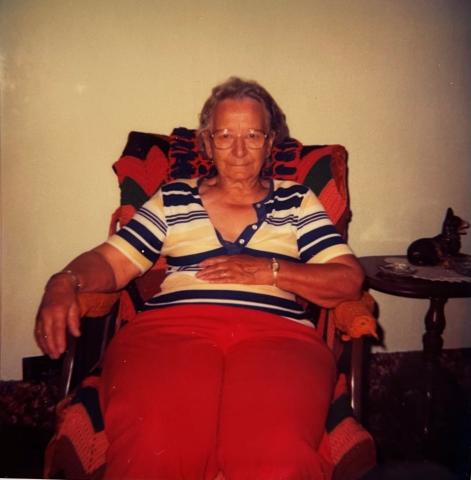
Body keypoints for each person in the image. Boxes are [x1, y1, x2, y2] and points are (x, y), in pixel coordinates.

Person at [35, 77, 364, 480]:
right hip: (169, 332)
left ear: (270, 141)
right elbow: (111, 262)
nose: (240, 150)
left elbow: (348, 280)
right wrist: (64, 281)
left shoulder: (296, 200)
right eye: (225, 135)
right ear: (206, 143)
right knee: (156, 448)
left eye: (253, 135)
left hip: (279, 336)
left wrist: (269, 270)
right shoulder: (173, 197)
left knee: (275, 455)